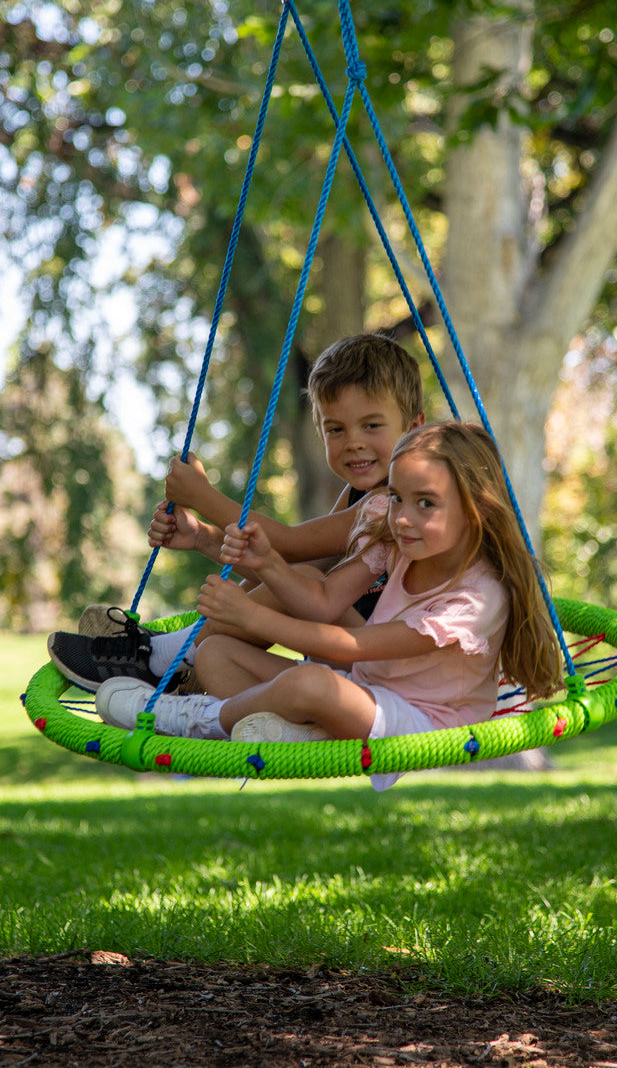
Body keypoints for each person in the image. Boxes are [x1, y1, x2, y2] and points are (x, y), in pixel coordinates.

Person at [91, 422, 565, 787]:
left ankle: (193, 720)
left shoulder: (478, 597)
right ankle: (303, 732)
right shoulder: (398, 542)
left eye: (426, 504)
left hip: (424, 724)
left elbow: (353, 644)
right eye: (397, 497)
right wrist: (271, 565)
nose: (402, 517)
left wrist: (252, 615)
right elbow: (322, 600)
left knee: (313, 684)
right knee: (218, 654)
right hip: (366, 690)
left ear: (476, 508)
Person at [47, 333, 425, 690]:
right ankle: (181, 663)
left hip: (381, 662)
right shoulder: (358, 494)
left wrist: (203, 497)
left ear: (415, 427)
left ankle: (157, 661)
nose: (354, 443)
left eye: (371, 425)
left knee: (304, 578)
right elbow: (281, 568)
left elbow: (291, 547)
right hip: (345, 662)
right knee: (229, 642)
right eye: (336, 430)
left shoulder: (393, 503)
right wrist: (203, 538)